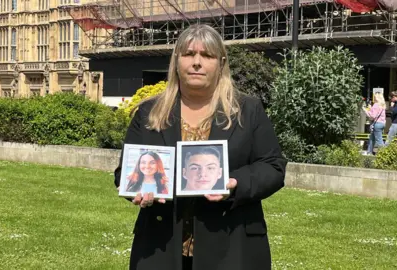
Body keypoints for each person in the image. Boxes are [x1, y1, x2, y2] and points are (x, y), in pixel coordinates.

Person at [113, 24, 287, 270]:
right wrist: (137, 190)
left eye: (207, 55)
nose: (197, 62)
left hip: (232, 246)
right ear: (176, 61)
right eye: (189, 54)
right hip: (161, 247)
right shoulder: (149, 112)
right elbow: (125, 172)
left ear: (221, 63)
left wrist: (235, 184)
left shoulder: (248, 110)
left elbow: (273, 167)